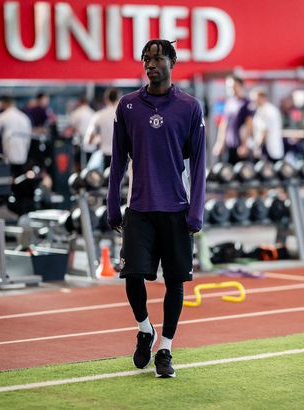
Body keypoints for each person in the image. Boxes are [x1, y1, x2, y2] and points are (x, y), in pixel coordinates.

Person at [107, 39, 206, 378]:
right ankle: (144, 328)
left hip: (177, 209)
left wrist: (196, 210)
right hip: (139, 208)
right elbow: (118, 159)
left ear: (172, 63)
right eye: (146, 59)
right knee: (132, 275)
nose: (150, 64)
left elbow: (199, 163)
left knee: (175, 282)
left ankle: (165, 348)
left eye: (158, 58)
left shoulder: (189, 107)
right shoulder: (128, 105)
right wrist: (112, 204)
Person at [212, 75, 254, 164]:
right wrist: (220, 143)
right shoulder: (229, 103)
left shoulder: (246, 103)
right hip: (229, 145)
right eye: (228, 86)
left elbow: (249, 125)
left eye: (233, 86)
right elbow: (223, 124)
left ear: (240, 86)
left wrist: (244, 145)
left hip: (240, 146)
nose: (231, 89)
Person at [0, 95, 32, 176]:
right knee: (20, 176)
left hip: (9, 155)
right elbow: (29, 137)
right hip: (23, 154)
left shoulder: (3, 116)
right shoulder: (24, 117)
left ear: (4, 104)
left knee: (10, 176)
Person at [84, 88, 121, 169]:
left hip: (106, 157)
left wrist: (100, 139)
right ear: (119, 98)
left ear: (106, 99)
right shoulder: (126, 115)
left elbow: (88, 140)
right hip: (122, 156)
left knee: (106, 177)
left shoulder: (99, 115)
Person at [250, 88, 284, 162]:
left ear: (262, 98)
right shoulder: (261, 109)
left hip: (269, 149)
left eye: (255, 99)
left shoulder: (268, 110)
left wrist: (258, 146)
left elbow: (265, 131)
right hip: (268, 148)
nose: (254, 102)